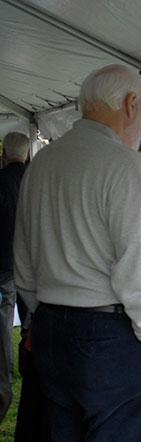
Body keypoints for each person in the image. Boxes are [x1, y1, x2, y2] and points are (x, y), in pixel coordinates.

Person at [14, 64, 141, 442]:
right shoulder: (125, 165)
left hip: (53, 330)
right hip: (107, 337)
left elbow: (24, 260)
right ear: (130, 104)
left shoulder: (43, 163)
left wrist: (37, 317)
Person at [0, 131, 29, 422]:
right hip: (32, 266)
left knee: (5, 325)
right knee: (30, 322)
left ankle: (6, 377)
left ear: (4, 154)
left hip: (5, 264)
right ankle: (29, 368)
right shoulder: (36, 180)